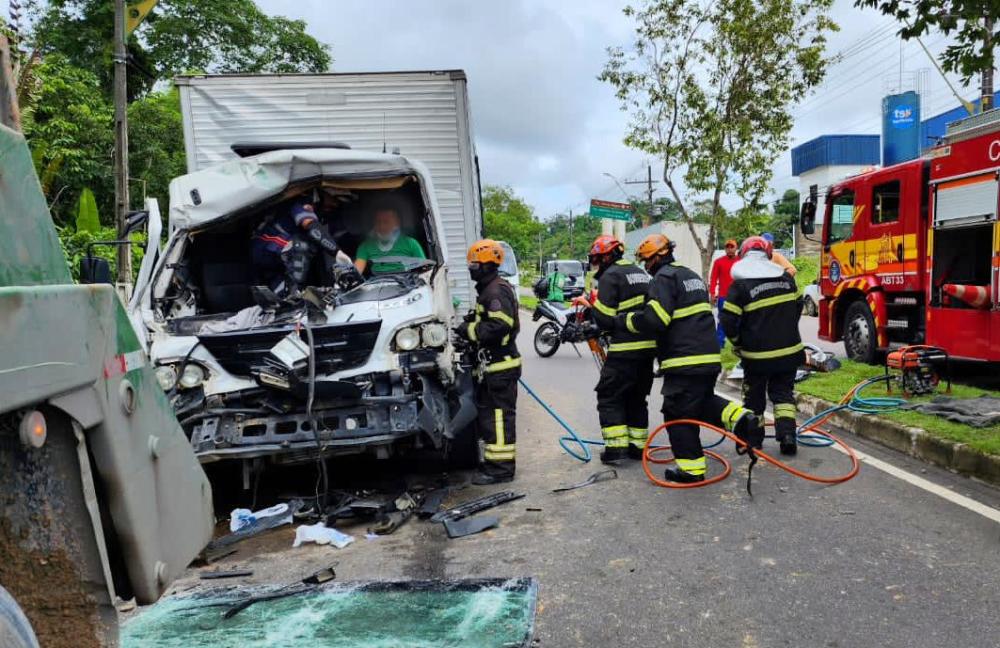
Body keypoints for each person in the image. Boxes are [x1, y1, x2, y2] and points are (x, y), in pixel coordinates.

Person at [618, 234, 758, 483]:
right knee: (701, 403)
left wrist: (625, 321)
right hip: (707, 357)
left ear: (658, 257)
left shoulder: (663, 278)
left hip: (683, 360)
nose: (646, 268)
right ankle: (742, 419)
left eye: (647, 262)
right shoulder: (691, 276)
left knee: (677, 412)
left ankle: (691, 469)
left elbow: (655, 320)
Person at [720, 236, 805, 456]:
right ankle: (787, 436)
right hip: (789, 352)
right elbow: (797, 307)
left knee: (754, 399)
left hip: (757, 357)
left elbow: (728, 321)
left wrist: (738, 343)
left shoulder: (740, 286)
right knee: (783, 394)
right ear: (768, 255)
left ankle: (753, 441)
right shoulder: (787, 280)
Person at [456, 239, 521, 484]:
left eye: (473, 265)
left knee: (498, 419)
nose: (470, 269)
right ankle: (495, 462)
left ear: (485, 265)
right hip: (493, 367)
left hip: (500, 367)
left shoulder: (494, 291)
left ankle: (501, 469)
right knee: (490, 418)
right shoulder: (489, 288)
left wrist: (468, 330)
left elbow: (499, 325)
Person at [587, 234, 656, 463]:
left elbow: (606, 320)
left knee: (609, 395)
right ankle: (637, 448)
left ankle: (615, 449)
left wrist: (592, 308)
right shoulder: (639, 272)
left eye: (597, 259)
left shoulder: (611, 276)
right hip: (647, 350)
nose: (596, 265)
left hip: (625, 348)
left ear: (607, 256)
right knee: (637, 397)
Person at [251, 199, 346, 296]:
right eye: (334, 199)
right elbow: (312, 228)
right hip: (265, 244)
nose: (335, 203)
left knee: (312, 253)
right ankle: (293, 295)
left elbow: (341, 239)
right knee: (301, 246)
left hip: (281, 261)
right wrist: (336, 251)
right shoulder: (302, 202)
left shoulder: (329, 214)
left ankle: (284, 297)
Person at [355, 205, 425, 274]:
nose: (381, 226)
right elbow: (357, 271)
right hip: (376, 282)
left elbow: (425, 270)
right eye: (378, 222)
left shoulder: (411, 243)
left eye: (386, 222)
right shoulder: (365, 246)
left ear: (397, 223)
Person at [709, 239, 739, 348]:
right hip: (723, 297)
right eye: (728, 247)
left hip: (738, 297)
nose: (730, 249)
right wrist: (712, 293)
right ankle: (719, 344)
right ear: (725, 249)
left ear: (736, 248)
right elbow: (713, 279)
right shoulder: (718, 262)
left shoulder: (741, 261)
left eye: (732, 247)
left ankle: (739, 343)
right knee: (722, 321)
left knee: (739, 320)